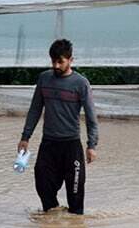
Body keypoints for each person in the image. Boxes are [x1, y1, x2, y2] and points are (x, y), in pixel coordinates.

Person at [19, 39, 99, 214]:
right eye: (53, 61)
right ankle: (53, 222)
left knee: (75, 196)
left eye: (60, 61)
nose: (56, 65)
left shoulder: (81, 83)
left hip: (71, 146)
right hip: (49, 144)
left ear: (71, 60)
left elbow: (92, 117)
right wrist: (25, 137)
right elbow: (35, 109)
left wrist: (91, 146)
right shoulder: (44, 79)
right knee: (42, 182)